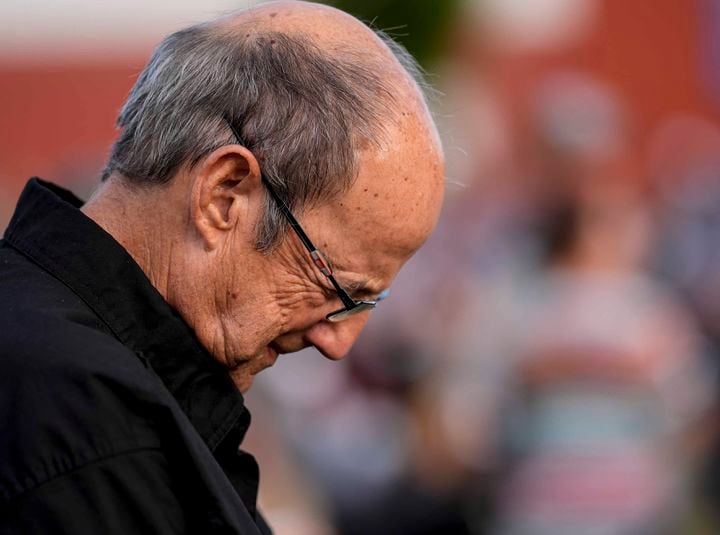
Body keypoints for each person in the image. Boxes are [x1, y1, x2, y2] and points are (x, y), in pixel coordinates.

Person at [0, 1, 445, 533]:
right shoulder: (93, 435)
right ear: (224, 195)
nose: (339, 341)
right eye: (337, 287)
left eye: (372, 302)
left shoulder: (91, 383)